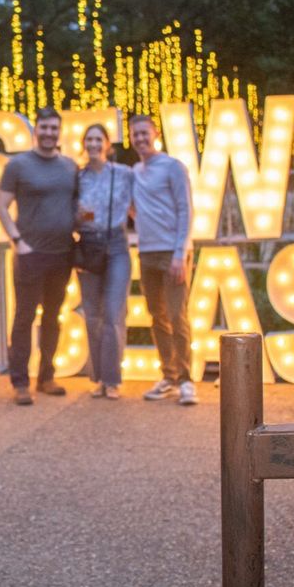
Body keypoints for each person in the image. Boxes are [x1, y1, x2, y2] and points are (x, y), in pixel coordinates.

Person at [0, 107, 78, 405]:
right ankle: (20, 382)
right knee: (25, 318)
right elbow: (1, 206)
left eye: (54, 128)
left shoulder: (70, 166)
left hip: (62, 253)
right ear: (35, 130)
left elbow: (77, 205)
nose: (49, 133)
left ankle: (46, 377)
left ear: (59, 132)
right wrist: (18, 241)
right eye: (44, 127)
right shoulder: (18, 165)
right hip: (30, 254)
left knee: (53, 317)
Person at [129, 114, 197, 406]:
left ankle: (186, 380)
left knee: (177, 315)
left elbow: (186, 209)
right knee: (157, 317)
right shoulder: (135, 171)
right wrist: (142, 218)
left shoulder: (173, 167)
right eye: (135, 134)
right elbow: (133, 207)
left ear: (155, 134)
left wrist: (180, 252)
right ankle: (168, 377)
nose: (140, 138)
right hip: (147, 252)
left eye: (144, 133)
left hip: (173, 253)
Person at [75, 124, 133, 400]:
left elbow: (141, 203)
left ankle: (112, 380)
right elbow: (72, 215)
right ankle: (98, 378)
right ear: (83, 144)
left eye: (99, 139)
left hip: (117, 245)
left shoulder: (124, 174)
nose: (94, 144)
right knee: (92, 316)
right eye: (89, 139)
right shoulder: (77, 177)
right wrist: (82, 217)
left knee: (112, 313)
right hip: (88, 246)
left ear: (108, 144)